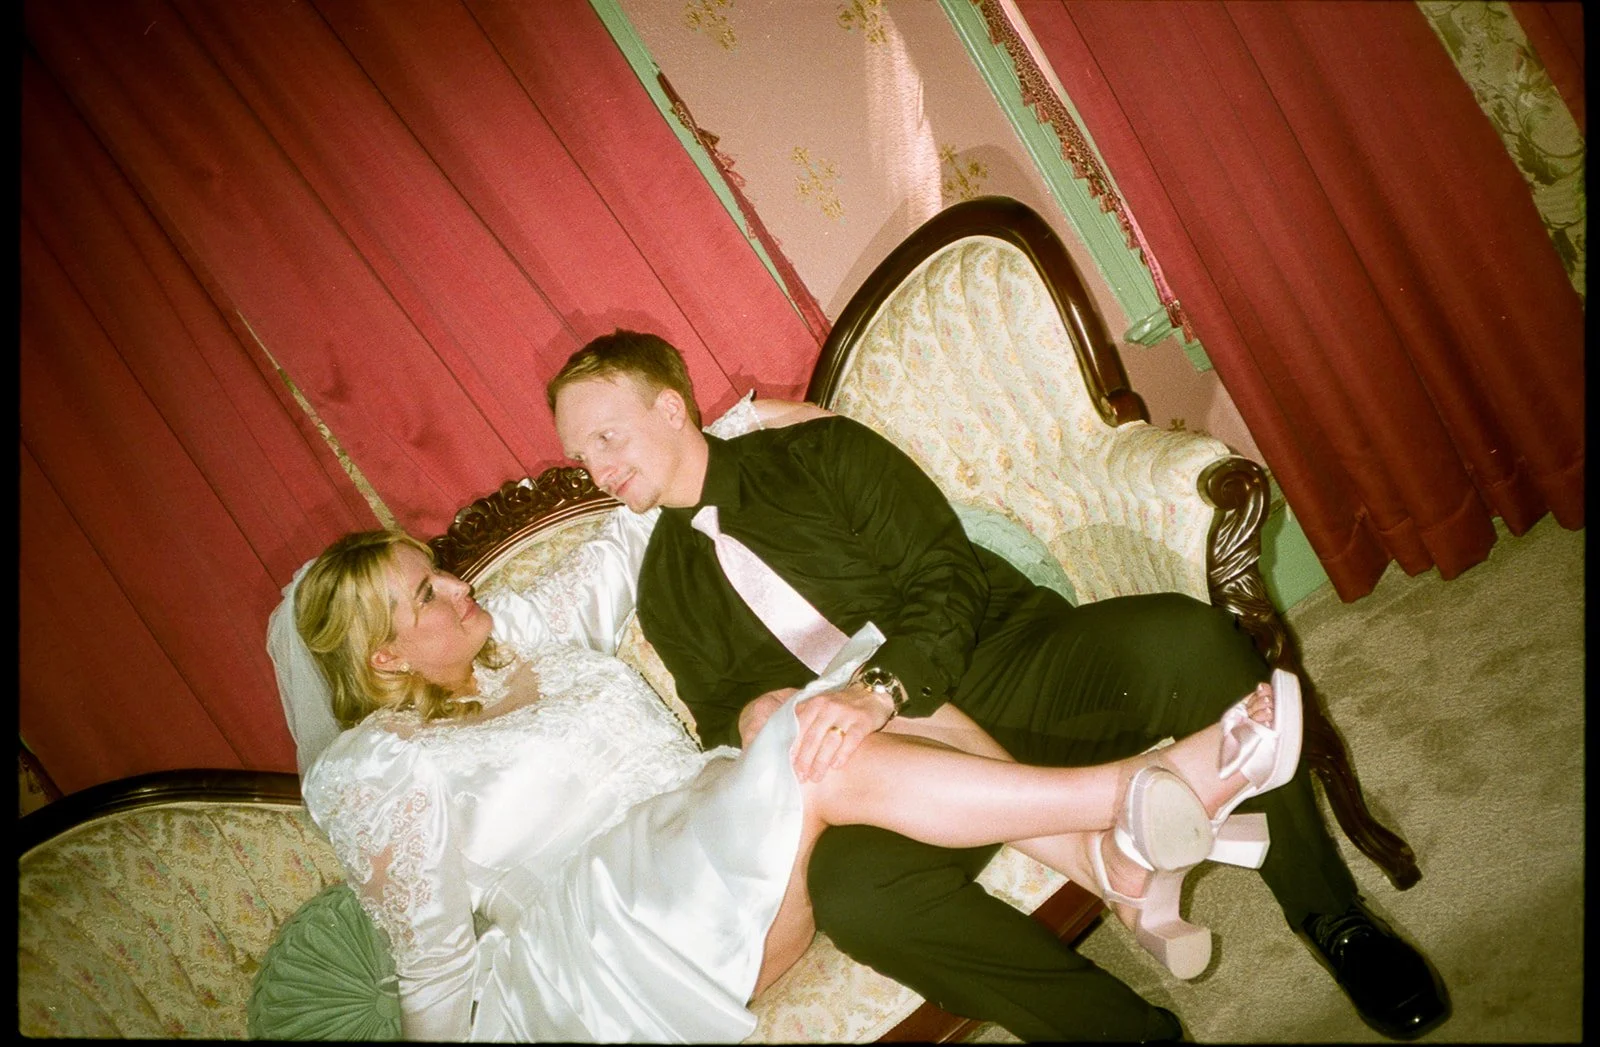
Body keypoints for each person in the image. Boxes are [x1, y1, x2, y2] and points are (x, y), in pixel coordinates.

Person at [547, 330, 1451, 1043]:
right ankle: (1120, 1033)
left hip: (1009, 662)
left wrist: (883, 686)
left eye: (606, 435)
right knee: (863, 898)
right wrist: (749, 715)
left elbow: (945, 576)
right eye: (580, 454)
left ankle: (1334, 920)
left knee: (1195, 640)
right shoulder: (663, 585)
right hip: (912, 782)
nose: (596, 465)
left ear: (671, 407)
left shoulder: (818, 456)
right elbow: (722, 710)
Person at [269, 454, 1304, 1040]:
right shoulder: (380, 771)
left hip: (717, 839)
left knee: (820, 704)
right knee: (808, 728)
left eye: (440, 571)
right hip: (629, 935)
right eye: (427, 594)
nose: (460, 587)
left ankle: (1106, 859)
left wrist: (747, 422)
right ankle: (1133, 796)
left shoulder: (524, 635)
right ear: (388, 658)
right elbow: (433, 966)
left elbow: (639, 516)